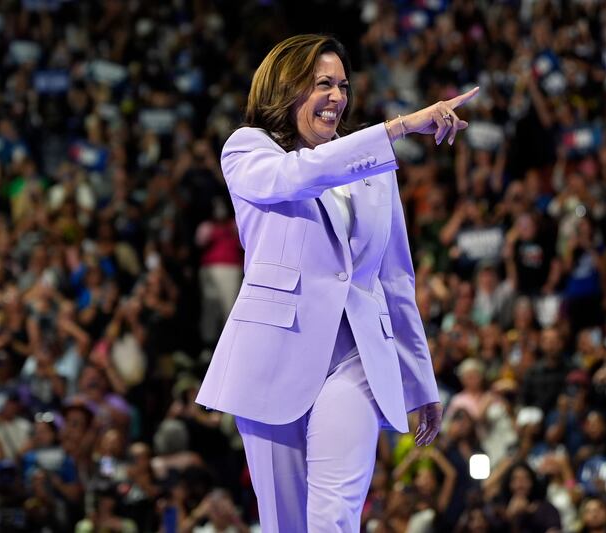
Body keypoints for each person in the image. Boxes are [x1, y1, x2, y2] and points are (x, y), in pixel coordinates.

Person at [194, 34, 478, 532]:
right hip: (272, 356)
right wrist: (397, 128)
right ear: (287, 89)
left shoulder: (374, 168)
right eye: (322, 83)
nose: (337, 97)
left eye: (342, 85)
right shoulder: (249, 150)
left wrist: (420, 382)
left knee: (334, 517)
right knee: (285, 523)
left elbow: (395, 279)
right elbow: (295, 178)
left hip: (357, 359)